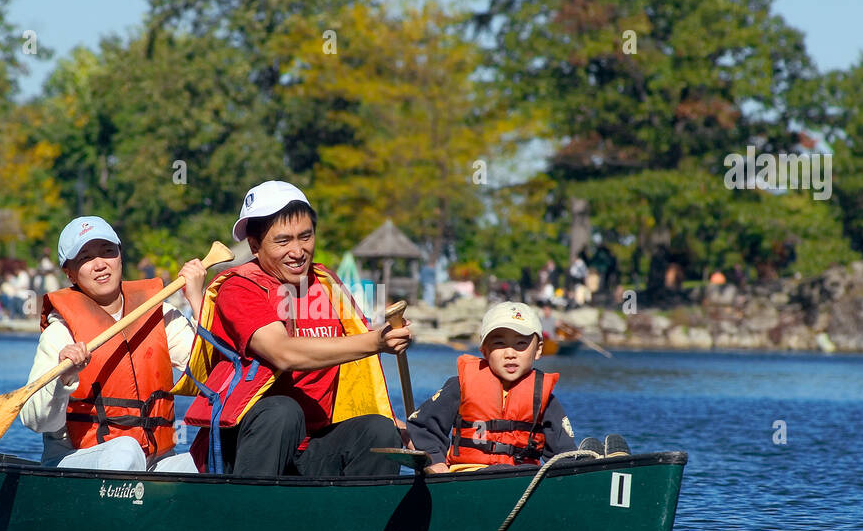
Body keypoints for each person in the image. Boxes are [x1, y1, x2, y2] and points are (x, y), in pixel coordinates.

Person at [174, 181, 410, 476]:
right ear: (255, 245)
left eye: (306, 237)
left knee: (380, 432)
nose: (298, 251)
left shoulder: (326, 282)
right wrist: (377, 341)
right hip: (244, 446)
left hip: (309, 447)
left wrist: (390, 335)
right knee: (283, 411)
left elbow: (355, 345)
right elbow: (283, 353)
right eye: (283, 241)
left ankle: (357, 520)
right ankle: (248, 512)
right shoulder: (238, 288)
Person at [19, 216, 204, 474]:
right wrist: (64, 378)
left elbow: (208, 375)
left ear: (120, 256)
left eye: (107, 252)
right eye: (85, 257)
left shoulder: (158, 313)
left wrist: (198, 302)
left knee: (204, 462)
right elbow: (36, 421)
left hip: (156, 460)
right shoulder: (60, 333)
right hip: (78, 458)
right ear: (69, 272)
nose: (100, 265)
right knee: (125, 450)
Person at [407, 302, 577, 473]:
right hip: (467, 476)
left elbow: (564, 453)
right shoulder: (459, 386)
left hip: (522, 478)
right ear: (485, 350)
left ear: (538, 349)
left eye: (520, 343)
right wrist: (435, 460)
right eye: (500, 343)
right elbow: (423, 425)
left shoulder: (543, 397)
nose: (510, 354)